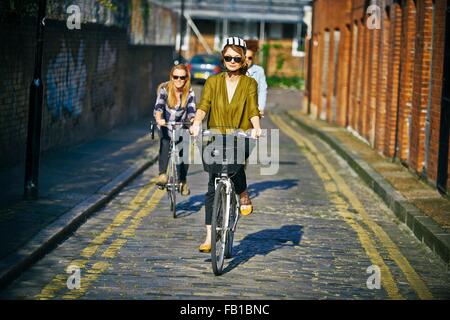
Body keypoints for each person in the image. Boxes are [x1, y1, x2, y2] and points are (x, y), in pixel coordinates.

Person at [190, 36, 263, 253]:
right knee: (213, 181)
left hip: (239, 134)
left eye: (237, 58)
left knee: (236, 166)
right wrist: (196, 123)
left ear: (243, 61)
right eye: (228, 57)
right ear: (223, 59)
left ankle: (242, 194)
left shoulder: (250, 83)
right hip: (215, 135)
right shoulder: (213, 82)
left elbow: (252, 108)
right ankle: (210, 236)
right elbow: (204, 105)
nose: (232, 61)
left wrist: (256, 127)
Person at [153, 64, 196, 196]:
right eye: (175, 76)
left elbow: (191, 110)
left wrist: (193, 122)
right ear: (171, 77)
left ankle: (182, 181)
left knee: (184, 150)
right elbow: (159, 107)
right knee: (165, 142)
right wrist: (159, 119)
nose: (178, 80)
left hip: (181, 125)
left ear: (186, 78)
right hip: (165, 125)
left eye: (182, 77)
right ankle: (162, 175)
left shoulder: (189, 92)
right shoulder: (165, 89)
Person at [245, 40, 268, 117]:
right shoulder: (235, 69)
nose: (247, 60)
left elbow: (262, 90)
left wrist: (260, 108)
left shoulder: (259, 70)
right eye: (244, 57)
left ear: (253, 58)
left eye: (250, 58)